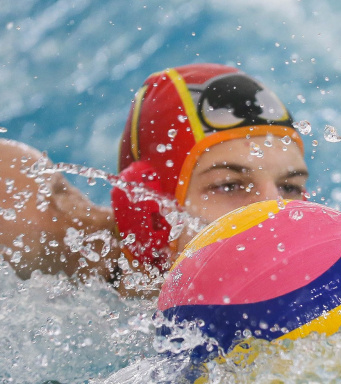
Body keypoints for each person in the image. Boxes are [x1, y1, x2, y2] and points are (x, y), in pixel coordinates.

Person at [0, 63, 308, 297]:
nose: (274, 212)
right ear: (147, 205)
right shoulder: (37, 228)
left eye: (289, 187)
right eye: (229, 185)